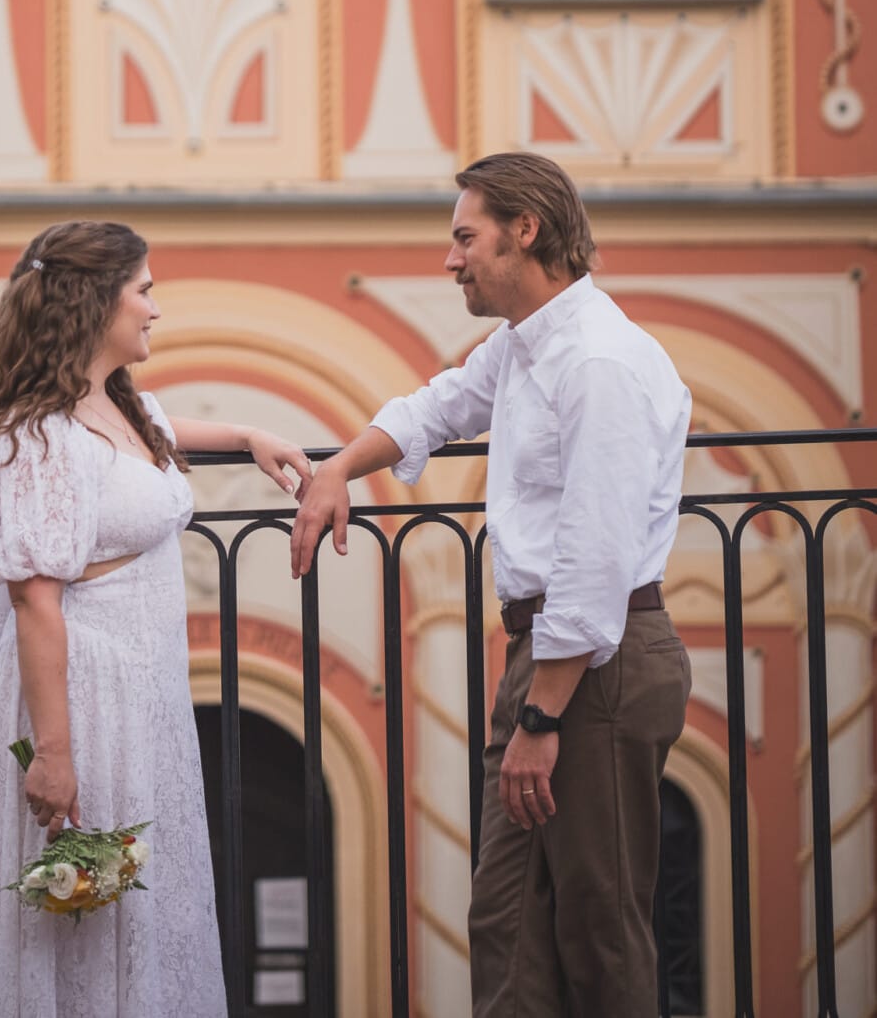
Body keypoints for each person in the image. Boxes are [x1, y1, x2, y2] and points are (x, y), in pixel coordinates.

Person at [290, 153, 692, 1017]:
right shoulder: (525, 345)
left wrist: (541, 717)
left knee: (599, 927)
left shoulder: (600, 362)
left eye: (465, 237)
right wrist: (338, 470)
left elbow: (595, 559)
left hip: (599, 664)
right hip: (547, 658)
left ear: (526, 230)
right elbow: (437, 407)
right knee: (506, 918)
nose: (451, 260)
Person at [0, 219, 309, 1018]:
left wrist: (251, 435)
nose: (155, 309)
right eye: (143, 291)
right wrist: (53, 756)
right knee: (84, 911)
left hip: (139, 699)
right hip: (85, 703)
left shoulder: (114, 406)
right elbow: (35, 601)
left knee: (128, 907)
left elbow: (160, 436)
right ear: (93, 303)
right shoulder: (35, 439)